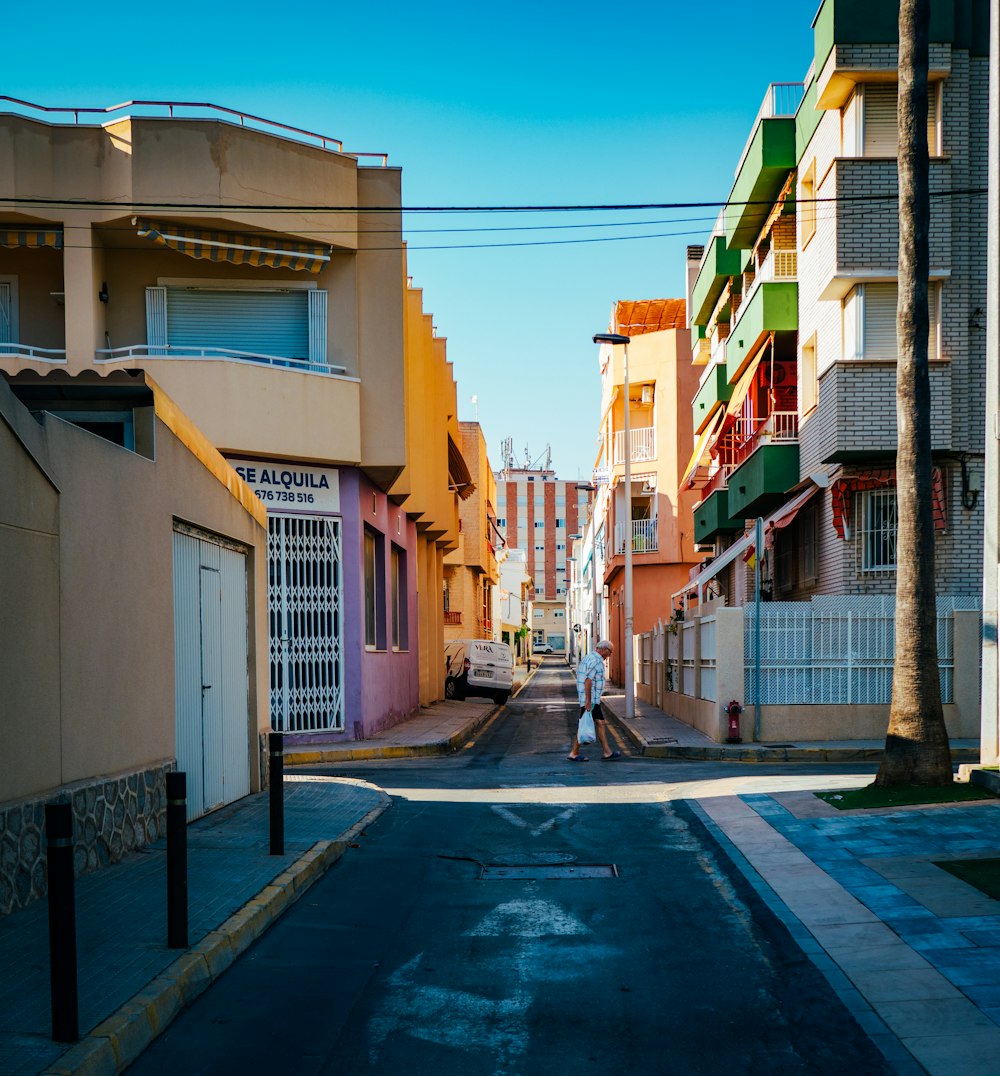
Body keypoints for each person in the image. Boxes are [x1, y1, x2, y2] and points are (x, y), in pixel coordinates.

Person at [567, 639, 621, 762]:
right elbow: (588, 680)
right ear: (604, 649)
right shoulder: (596, 661)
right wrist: (588, 700)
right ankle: (574, 752)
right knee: (587, 723)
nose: (610, 655)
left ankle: (606, 751)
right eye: (610, 652)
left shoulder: (588, 657)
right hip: (590, 699)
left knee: (600, 722)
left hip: (590, 698)